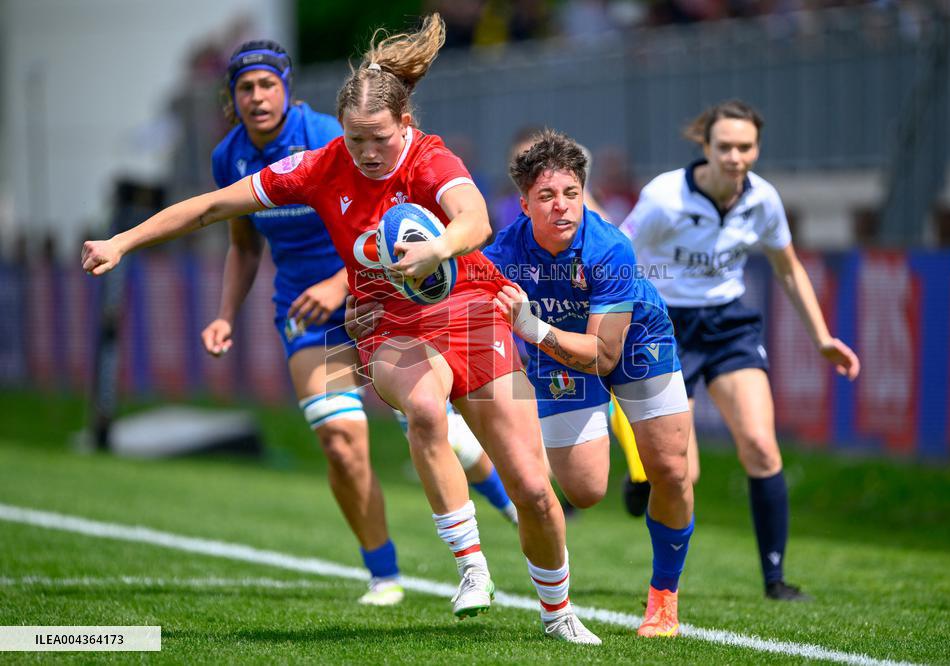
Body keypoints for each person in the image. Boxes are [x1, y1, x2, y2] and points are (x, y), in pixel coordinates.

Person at [82, 14, 598, 644]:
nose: (367, 152)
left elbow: (476, 220)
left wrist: (439, 249)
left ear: (405, 125)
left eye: (378, 137)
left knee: (536, 491)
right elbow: (214, 207)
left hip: (473, 313)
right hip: (388, 326)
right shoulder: (322, 164)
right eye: (356, 139)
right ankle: (470, 567)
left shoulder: (432, 158)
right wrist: (123, 241)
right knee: (426, 411)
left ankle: (558, 614)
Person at [202, 40, 516, 608]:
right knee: (342, 440)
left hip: (377, 294)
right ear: (232, 98)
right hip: (306, 311)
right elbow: (243, 246)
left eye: (266, 84)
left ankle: (512, 501)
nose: (256, 97)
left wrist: (339, 283)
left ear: (287, 88)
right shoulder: (229, 157)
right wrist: (225, 314)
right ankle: (384, 574)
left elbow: (386, 230)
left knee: (440, 428)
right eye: (245, 88)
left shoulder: (335, 134)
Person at [619, 99, 861, 601]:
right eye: (724, 146)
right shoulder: (664, 198)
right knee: (682, 472)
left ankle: (775, 579)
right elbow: (620, 258)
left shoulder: (763, 200)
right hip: (666, 328)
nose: (735, 156)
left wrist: (823, 339)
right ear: (704, 147)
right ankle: (647, 480)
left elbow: (788, 267)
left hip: (729, 326)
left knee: (761, 446)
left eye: (745, 146)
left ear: (757, 147)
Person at [487, 130, 695, 638]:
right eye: (547, 196)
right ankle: (596, 418)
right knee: (584, 491)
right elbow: (451, 300)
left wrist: (532, 328)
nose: (562, 207)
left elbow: (604, 354)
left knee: (669, 469)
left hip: (634, 342)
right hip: (559, 357)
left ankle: (664, 598)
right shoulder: (501, 254)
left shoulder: (609, 248)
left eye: (572, 193)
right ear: (524, 203)